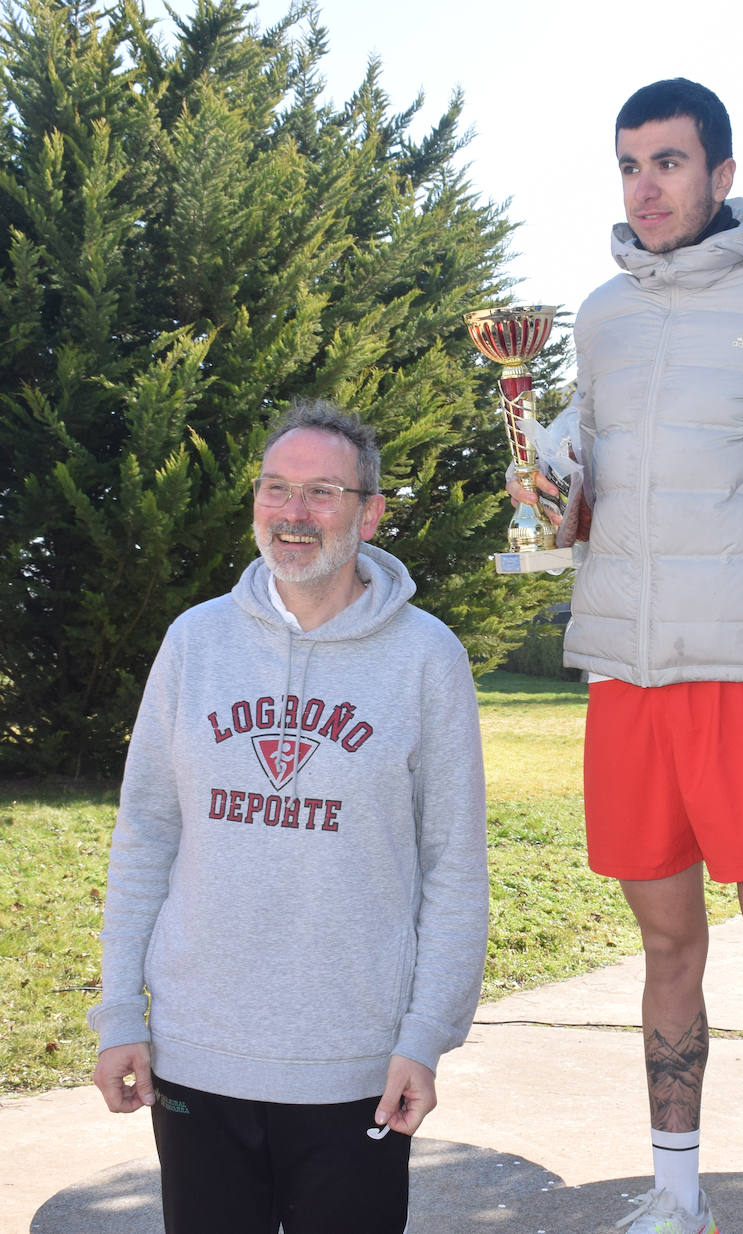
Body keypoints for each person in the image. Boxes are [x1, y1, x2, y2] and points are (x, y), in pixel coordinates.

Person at [512, 78, 743, 1234]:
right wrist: (551, 494)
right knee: (664, 944)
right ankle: (675, 1191)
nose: (645, 186)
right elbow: (583, 502)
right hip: (627, 677)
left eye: (667, 162)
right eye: (628, 165)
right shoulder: (598, 317)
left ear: (721, 174)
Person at [88, 400, 489, 1234]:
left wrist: (426, 1035)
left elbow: (454, 866)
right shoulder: (195, 642)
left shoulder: (426, 658)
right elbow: (146, 835)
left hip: (356, 1063)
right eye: (277, 489)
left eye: (322, 493)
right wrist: (121, 1012)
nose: (293, 514)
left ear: (369, 513)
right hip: (198, 1053)